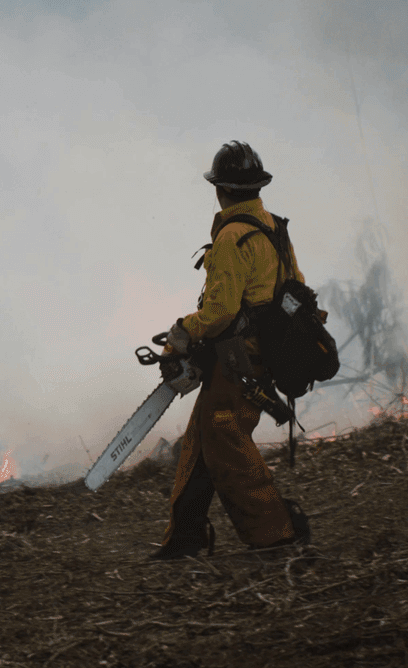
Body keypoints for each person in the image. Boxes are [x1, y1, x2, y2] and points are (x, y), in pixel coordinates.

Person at [150, 141, 312, 561]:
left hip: (241, 358)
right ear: (257, 188)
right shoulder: (274, 228)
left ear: (219, 190)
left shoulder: (231, 238)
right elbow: (296, 286)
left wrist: (183, 331)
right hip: (259, 355)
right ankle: (184, 539)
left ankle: (277, 535)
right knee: (203, 441)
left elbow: (220, 311)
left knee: (225, 441)